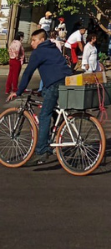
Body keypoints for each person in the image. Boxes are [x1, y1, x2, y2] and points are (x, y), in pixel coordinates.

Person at [6, 28, 74, 165]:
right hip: (67, 81)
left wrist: (18, 91)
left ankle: (42, 150)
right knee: (56, 112)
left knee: (44, 115)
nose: (32, 43)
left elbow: (28, 73)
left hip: (54, 84)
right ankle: (55, 141)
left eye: (34, 40)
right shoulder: (54, 48)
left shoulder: (39, 51)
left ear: (42, 40)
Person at [5, 32, 23, 97]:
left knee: (10, 75)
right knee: (15, 75)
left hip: (11, 59)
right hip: (16, 60)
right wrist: (17, 57)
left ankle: (8, 88)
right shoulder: (18, 43)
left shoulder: (12, 42)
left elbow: (9, 50)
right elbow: (17, 51)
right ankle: (14, 89)